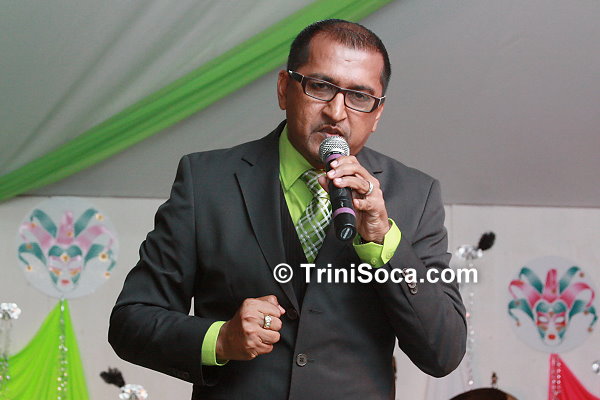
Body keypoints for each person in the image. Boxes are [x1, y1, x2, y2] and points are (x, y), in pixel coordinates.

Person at [109, 19, 466, 399]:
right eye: (320, 86)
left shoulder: (415, 195)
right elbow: (131, 321)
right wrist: (221, 339)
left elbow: (443, 352)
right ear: (284, 88)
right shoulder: (207, 181)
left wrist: (383, 240)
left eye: (360, 97)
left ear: (377, 113)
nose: (337, 112)